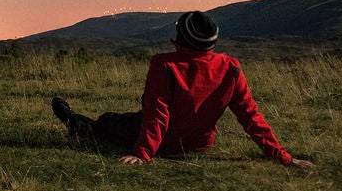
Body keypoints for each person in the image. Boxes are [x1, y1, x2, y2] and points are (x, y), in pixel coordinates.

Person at [50, 10, 314, 169]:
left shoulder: (164, 64)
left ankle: (72, 120)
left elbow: (157, 114)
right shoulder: (230, 67)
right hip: (200, 146)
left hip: (163, 144)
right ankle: (77, 120)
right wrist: (283, 157)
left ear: (182, 37)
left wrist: (142, 152)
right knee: (124, 119)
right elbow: (250, 116)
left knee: (107, 122)